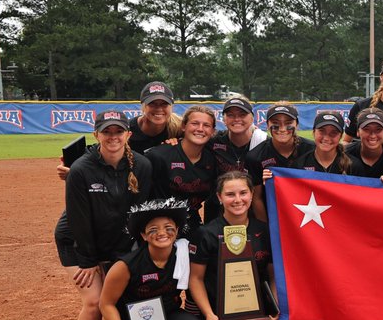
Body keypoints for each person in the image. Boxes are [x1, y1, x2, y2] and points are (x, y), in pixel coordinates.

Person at [55, 110, 154, 320]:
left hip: (117, 242)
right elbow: (78, 219)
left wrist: (134, 251)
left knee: (116, 298)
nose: (113, 137)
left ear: (128, 135)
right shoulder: (82, 170)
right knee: (95, 301)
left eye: (118, 131)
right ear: (97, 134)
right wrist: (88, 260)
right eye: (107, 132)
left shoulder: (142, 166)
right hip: (77, 241)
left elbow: (140, 212)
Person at [187, 173, 278, 320]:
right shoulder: (206, 233)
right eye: (230, 194)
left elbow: (272, 274)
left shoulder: (264, 231)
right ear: (219, 198)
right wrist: (209, 315)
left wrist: (276, 307)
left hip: (256, 311)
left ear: (251, 194)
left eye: (243, 193)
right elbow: (195, 279)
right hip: (222, 318)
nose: (237, 199)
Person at [55, 80, 179, 181]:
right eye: (152, 104)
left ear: (171, 106)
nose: (159, 109)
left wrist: (179, 143)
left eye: (164, 104)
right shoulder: (126, 129)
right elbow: (101, 149)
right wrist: (75, 167)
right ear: (143, 106)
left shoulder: (179, 129)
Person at [146, 103, 218, 235]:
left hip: (192, 223)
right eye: (195, 123)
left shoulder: (213, 159)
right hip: (160, 227)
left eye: (206, 125)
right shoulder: (159, 156)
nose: (200, 129)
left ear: (213, 131)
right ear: (184, 126)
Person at [244, 102, 312, 221]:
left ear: (297, 124)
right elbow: (257, 198)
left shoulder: (312, 149)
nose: (282, 129)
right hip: (275, 218)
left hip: (310, 214)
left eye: (288, 123)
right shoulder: (255, 156)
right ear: (267, 125)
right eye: (275, 124)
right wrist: (267, 229)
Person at [205, 95, 267, 221]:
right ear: (224, 119)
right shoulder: (212, 142)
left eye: (242, 114)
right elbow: (188, 140)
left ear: (252, 117)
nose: (236, 119)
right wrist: (172, 141)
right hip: (217, 214)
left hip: (253, 216)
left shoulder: (264, 144)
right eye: (231, 115)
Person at [345, 108, 383, 179]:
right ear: (358, 132)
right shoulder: (345, 154)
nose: (373, 135)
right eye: (366, 129)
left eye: (378, 129)